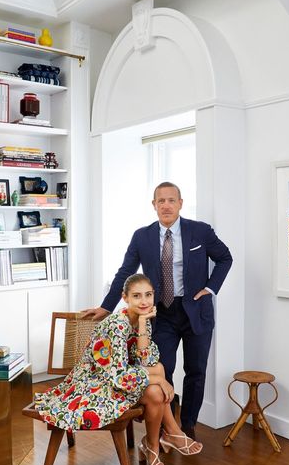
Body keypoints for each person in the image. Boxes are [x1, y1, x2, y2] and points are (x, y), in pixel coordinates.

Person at [83, 182, 232, 440]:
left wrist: (211, 288)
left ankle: (188, 427)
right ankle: (167, 426)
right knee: (165, 368)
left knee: (196, 370)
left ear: (180, 203)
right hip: (161, 313)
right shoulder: (142, 236)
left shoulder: (200, 231)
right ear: (154, 205)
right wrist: (106, 306)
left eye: (171, 200)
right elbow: (125, 271)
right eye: (161, 201)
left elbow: (225, 257)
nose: (166, 205)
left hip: (196, 310)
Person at [35, 273, 202, 465]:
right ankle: (161, 442)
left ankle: (163, 439)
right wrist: (159, 380)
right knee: (157, 389)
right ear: (125, 298)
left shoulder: (141, 318)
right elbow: (117, 375)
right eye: (137, 296)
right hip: (97, 382)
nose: (144, 301)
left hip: (121, 376)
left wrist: (142, 324)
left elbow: (147, 360)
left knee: (158, 369)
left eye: (148, 295)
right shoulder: (117, 324)